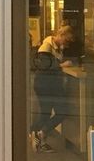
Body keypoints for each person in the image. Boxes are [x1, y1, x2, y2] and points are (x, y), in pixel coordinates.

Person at [30, 24, 74, 153]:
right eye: (66, 40)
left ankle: (37, 135)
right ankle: (39, 133)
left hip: (47, 84)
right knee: (59, 111)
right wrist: (62, 65)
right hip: (46, 84)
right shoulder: (46, 46)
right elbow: (45, 65)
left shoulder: (54, 47)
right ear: (61, 35)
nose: (66, 44)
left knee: (47, 112)